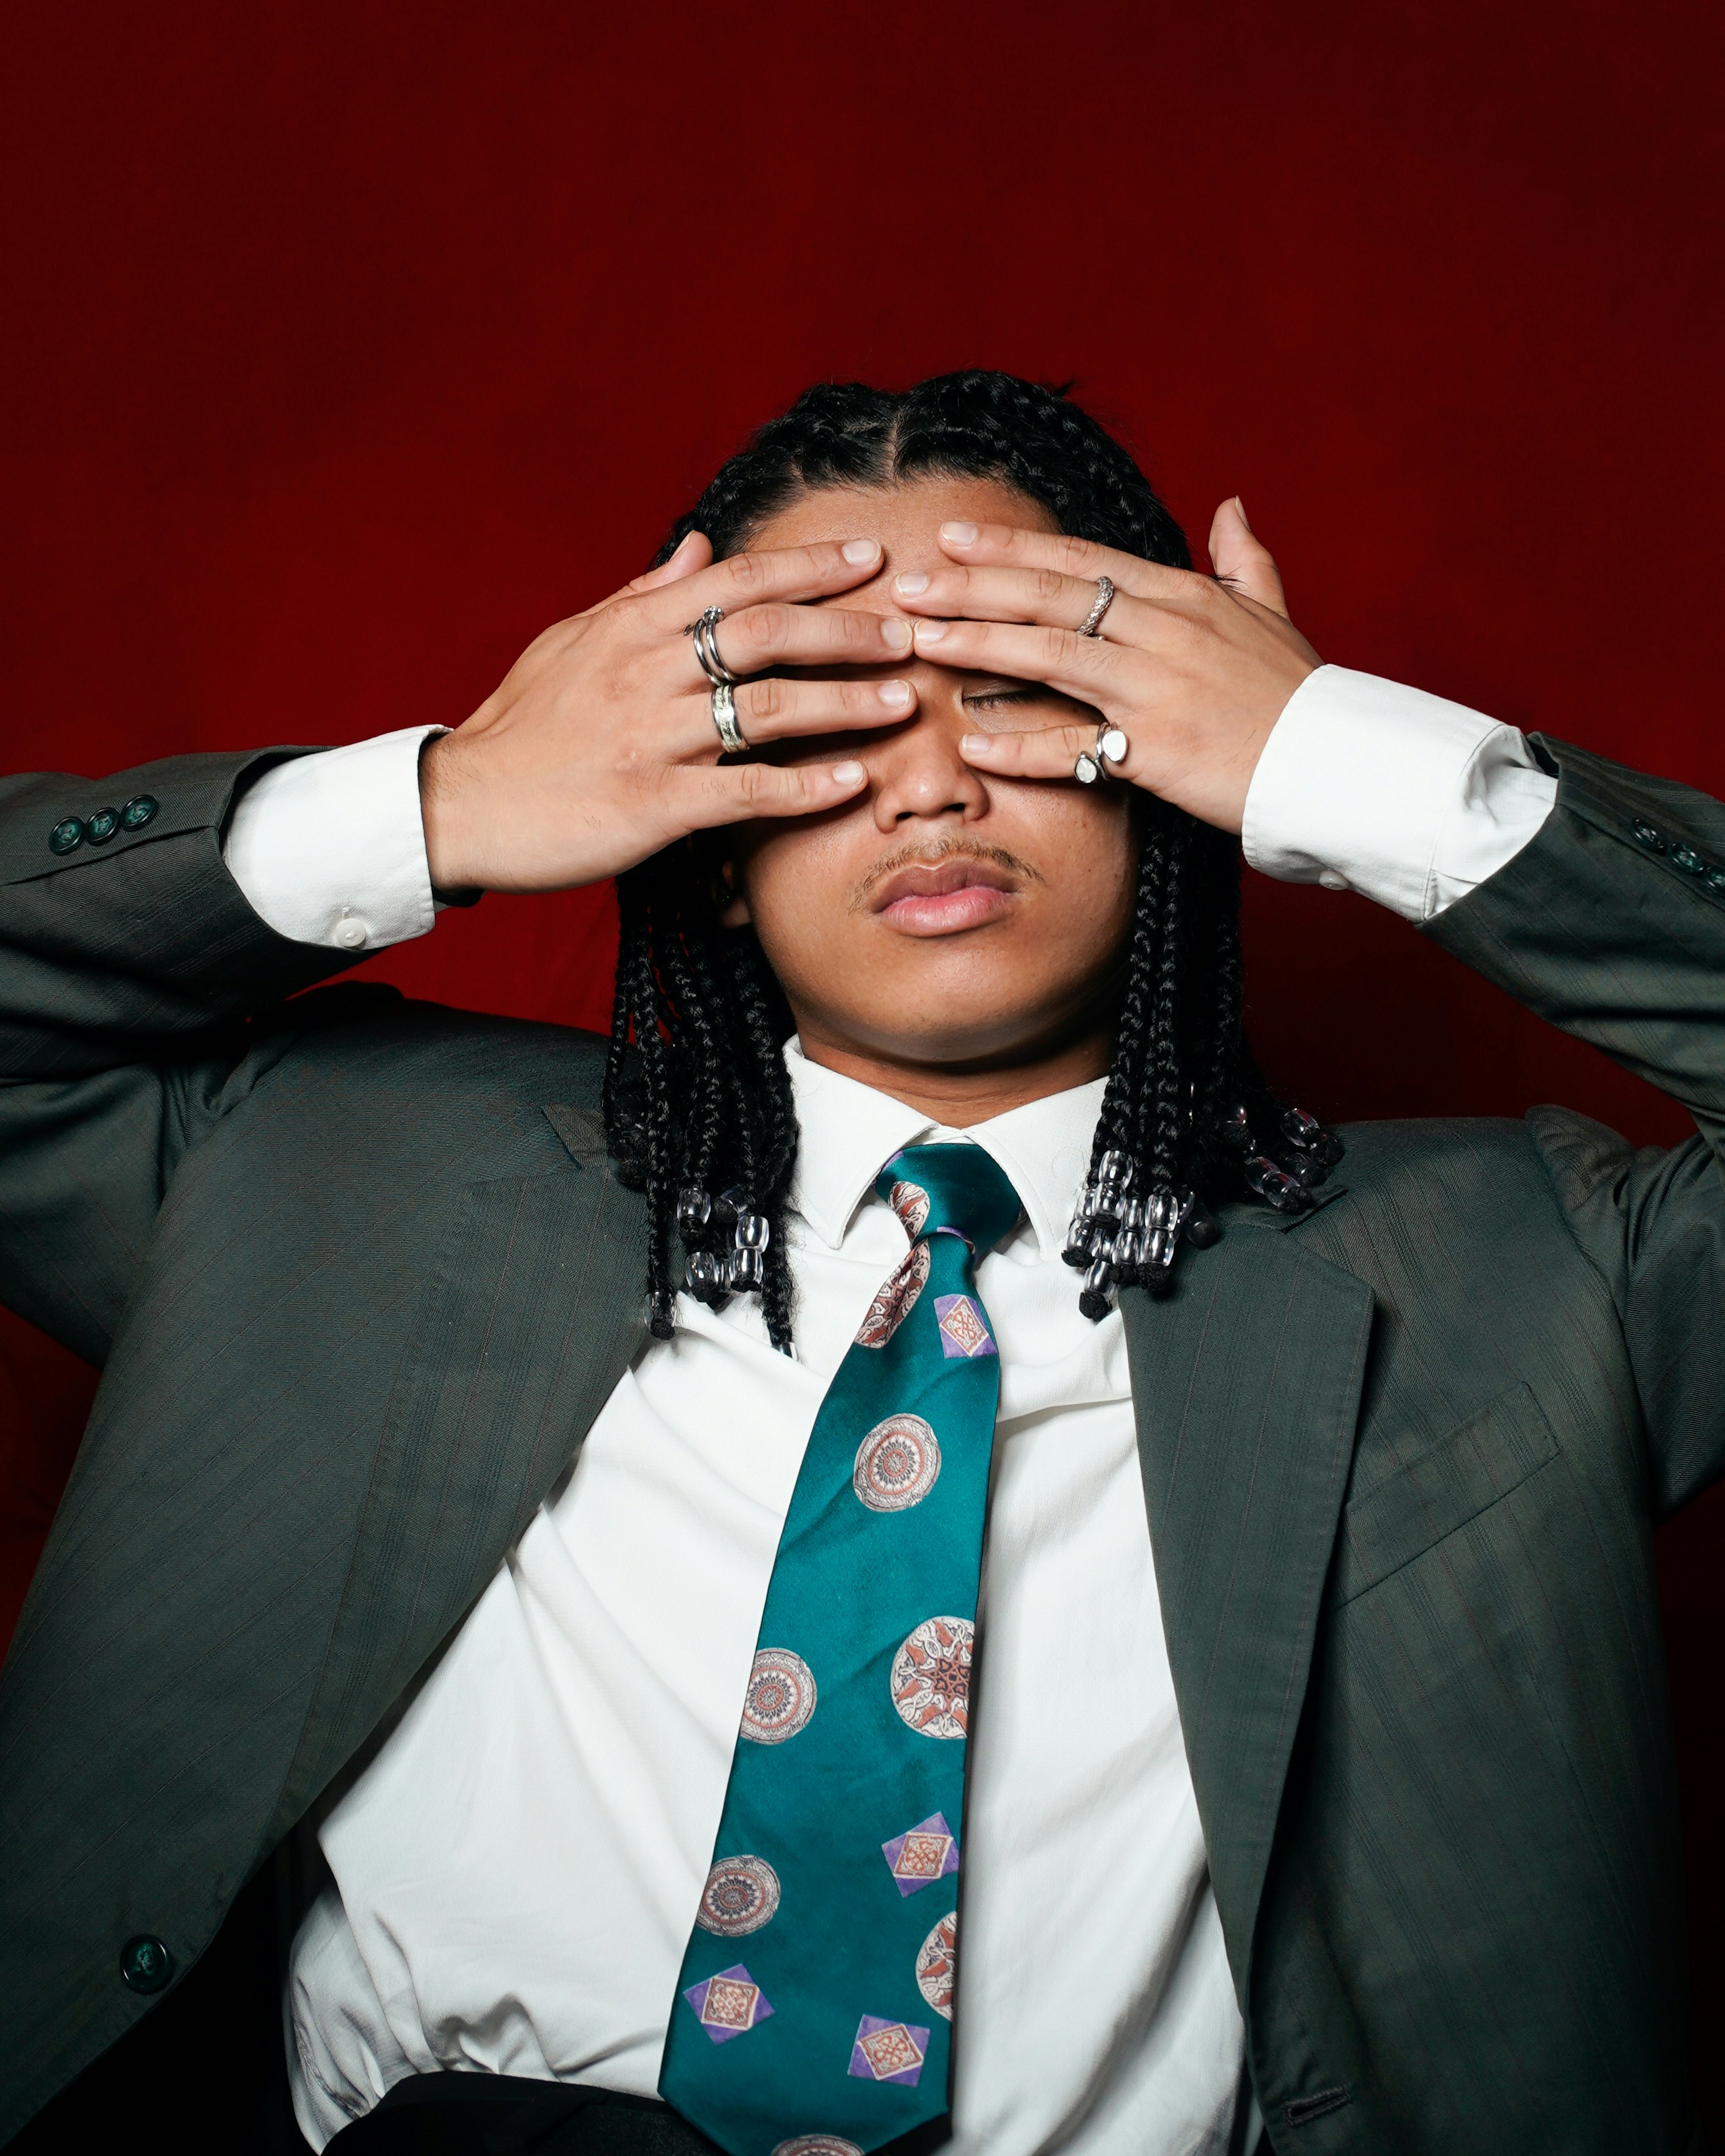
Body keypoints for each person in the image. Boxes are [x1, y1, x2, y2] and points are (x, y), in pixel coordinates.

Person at [0, 371, 1716, 2156]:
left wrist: (1352, 763)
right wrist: (447, 800)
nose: (935, 783)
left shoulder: (1525, 1275)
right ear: (705, 839)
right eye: (822, 718)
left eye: (1031, 698)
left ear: (1181, 775)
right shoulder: (331, 1171)